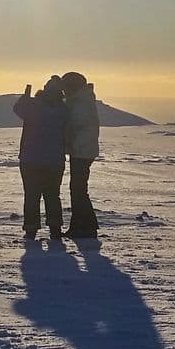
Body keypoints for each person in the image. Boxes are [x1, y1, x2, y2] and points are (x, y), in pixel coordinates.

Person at [13, 76, 68, 242]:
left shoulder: (34, 106)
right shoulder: (63, 110)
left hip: (31, 160)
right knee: (52, 195)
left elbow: (17, 109)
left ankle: (31, 230)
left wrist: (26, 96)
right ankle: (55, 228)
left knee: (31, 195)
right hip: (54, 161)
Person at [60, 71, 100, 238]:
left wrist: (71, 141)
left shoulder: (80, 103)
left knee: (77, 190)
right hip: (83, 150)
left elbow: (78, 125)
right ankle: (85, 226)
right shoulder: (82, 100)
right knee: (78, 189)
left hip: (82, 151)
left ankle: (83, 227)